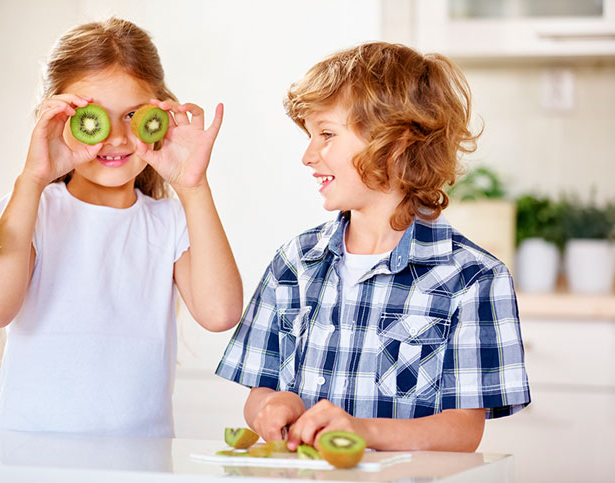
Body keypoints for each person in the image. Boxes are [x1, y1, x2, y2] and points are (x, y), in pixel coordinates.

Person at [216, 42, 530, 452]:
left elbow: (462, 432)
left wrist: (360, 431)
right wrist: (275, 405)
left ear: (395, 141)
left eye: (326, 134)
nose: (308, 155)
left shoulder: (472, 278)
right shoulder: (294, 264)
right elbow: (259, 393)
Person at [0, 17, 243, 436]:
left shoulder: (169, 221)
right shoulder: (33, 209)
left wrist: (193, 186)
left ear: (160, 114)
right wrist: (32, 179)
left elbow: (220, 313)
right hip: (28, 455)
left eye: (134, 115)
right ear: (55, 117)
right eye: (93, 116)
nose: (114, 138)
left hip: (141, 458)